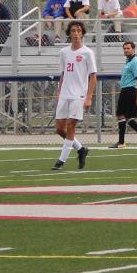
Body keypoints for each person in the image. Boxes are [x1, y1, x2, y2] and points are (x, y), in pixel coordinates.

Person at [52, 20, 96, 170]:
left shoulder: (88, 53)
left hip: (79, 94)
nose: (76, 33)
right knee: (59, 128)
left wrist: (89, 96)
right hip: (65, 93)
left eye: (78, 31)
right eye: (73, 31)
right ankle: (81, 149)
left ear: (82, 33)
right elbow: (63, 74)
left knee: (71, 125)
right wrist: (59, 92)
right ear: (69, 34)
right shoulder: (64, 52)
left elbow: (93, 76)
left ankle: (61, 161)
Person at [111, 40, 137, 149]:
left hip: (130, 90)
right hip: (125, 90)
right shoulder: (128, 61)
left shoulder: (135, 62)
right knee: (122, 115)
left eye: (128, 48)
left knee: (125, 115)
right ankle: (122, 142)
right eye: (125, 48)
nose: (126, 50)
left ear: (133, 49)